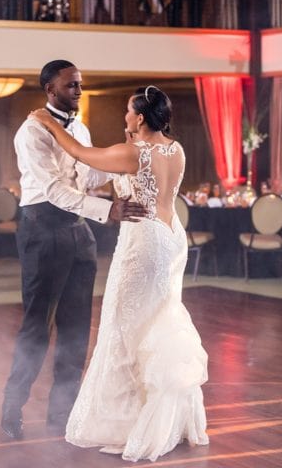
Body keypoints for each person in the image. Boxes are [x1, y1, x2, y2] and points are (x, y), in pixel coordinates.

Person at [30, 85, 209, 462]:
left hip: (143, 244)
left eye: (129, 113)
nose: (125, 118)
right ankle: (165, 419)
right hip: (172, 237)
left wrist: (47, 122)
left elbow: (79, 152)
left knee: (123, 327)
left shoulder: (131, 153)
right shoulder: (175, 149)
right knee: (159, 321)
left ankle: (129, 424)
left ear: (140, 117)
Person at [0, 60, 147, 440]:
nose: (78, 92)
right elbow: (52, 190)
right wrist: (106, 209)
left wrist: (123, 161)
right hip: (41, 227)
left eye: (80, 85)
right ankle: (12, 408)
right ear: (50, 89)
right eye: (71, 86)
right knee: (37, 326)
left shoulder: (78, 127)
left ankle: (62, 413)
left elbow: (89, 175)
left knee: (77, 328)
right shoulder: (31, 132)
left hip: (79, 231)